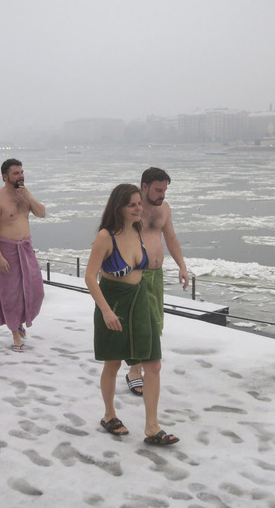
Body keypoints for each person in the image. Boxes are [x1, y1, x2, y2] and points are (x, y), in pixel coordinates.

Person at [86, 183, 179, 445]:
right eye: (133, 205)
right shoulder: (106, 236)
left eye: (139, 203)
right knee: (113, 363)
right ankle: (109, 415)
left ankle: (152, 426)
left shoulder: (138, 229)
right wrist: (105, 311)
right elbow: (90, 278)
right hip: (113, 303)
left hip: (140, 302)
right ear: (119, 208)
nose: (140, 208)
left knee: (154, 364)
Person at [124, 167, 189, 397]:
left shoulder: (164, 210)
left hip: (156, 274)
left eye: (165, 190)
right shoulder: (130, 209)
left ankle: (142, 367)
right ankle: (134, 371)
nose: (162, 195)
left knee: (155, 323)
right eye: (158, 190)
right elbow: (110, 235)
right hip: (135, 274)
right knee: (140, 324)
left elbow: (170, 237)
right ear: (144, 187)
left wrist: (182, 266)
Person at [0, 158, 46, 352]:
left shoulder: (24, 196)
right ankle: (14, 332)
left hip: (26, 247)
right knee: (10, 294)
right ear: (5, 177)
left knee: (36, 289)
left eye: (21, 172)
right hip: (7, 249)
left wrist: (28, 197)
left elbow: (41, 213)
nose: (20, 176)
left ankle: (20, 321)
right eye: (15, 173)